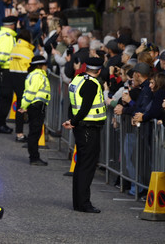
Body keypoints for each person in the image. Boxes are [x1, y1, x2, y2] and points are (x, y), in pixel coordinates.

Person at [62, 57, 105, 213]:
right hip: (89, 129)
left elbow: (72, 103)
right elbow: (85, 107)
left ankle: (78, 202)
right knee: (87, 167)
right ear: (99, 71)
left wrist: (72, 120)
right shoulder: (91, 84)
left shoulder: (77, 79)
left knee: (81, 166)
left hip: (81, 127)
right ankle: (84, 203)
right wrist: (73, 121)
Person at [18, 55, 50, 166]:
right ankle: (34, 158)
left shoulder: (34, 74)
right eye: (45, 65)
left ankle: (34, 156)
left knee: (34, 132)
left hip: (34, 106)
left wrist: (25, 106)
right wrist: (24, 106)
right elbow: (31, 92)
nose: (46, 67)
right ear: (40, 65)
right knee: (34, 133)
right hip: (36, 107)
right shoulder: (38, 76)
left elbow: (27, 92)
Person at [0, 16, 18, 134]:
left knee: (2, 98)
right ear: (12, 25)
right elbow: (2, 55)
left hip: (0, 70)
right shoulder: (7, 37)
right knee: (5, 98)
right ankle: (1, 124)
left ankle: (0, 124)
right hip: (5, 69)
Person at [10, 29, 34, 142]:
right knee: (24, 106)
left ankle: (19, 132)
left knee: (20, 105)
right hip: (24, 78)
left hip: (14, 77)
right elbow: (32, 67)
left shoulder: (15, 48)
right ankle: (20, 134)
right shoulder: (28, 51)